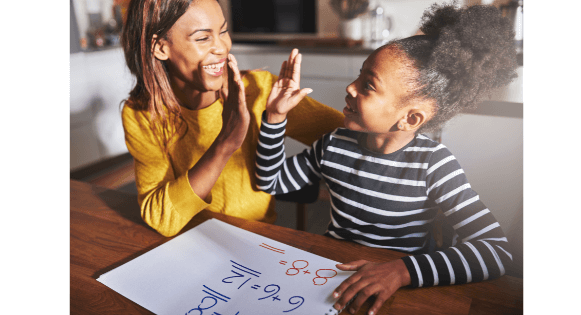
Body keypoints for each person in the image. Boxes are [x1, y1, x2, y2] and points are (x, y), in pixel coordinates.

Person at [254, 3, 518, 315]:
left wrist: (400, 271)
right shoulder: (334, 145)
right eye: (359, 75)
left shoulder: (434, 165)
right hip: (333, 273)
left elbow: (496, 252)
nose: (350, 88)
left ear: (410, 118)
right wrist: (274, 117)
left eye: (368, 85)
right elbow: (270, 181)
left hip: (401, 286)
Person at [120, 0, 344, 237]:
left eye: (223, 31)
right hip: (188, 239)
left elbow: (356, 138)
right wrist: (225, 144)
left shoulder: (260, 90)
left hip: (257, 238)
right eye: (203, 38)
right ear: (160, 47)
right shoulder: (142, 114)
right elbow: (161, 217)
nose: (222, 47)